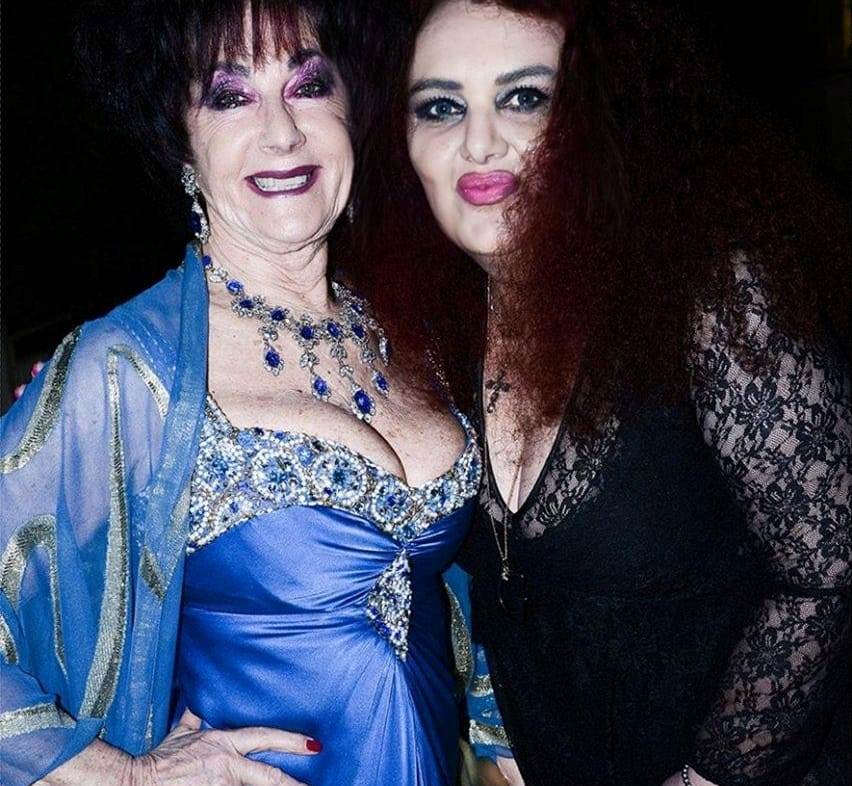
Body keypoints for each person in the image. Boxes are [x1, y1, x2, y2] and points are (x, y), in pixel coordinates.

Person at [351, 1, 852, 785]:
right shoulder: (431, 324)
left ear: (602, 119)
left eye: (525, 98)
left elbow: (828, 571)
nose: (479, 142)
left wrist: (707, 779)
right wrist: (497, 732)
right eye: (441, 107)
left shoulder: (712, 291)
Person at [0, 2, 482, 785]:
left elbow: (481, 583)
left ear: (352, 106)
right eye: (230, 97)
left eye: (308, 85)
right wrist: (126, 775)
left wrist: (497, 736)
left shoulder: (414, 325)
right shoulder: (127, 366)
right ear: (180, 138)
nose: (282, 132)